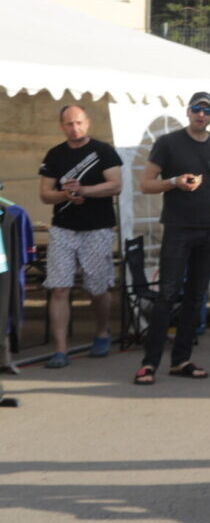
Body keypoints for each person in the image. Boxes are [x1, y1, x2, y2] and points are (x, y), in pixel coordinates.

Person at [134, 91, 210, 385]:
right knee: (167, 294)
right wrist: (174, 182)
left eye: (206, 110)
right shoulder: (168, 143)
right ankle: (149, 363)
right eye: (196, 109)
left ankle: (181, 359)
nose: (201, 115)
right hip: (178, 228)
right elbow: (145, 184)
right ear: (188, 111)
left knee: (196, 296)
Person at [38, 104, 123, 368]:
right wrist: (65, 195)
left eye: (78, 122)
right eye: (69, 124)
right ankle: (60, 350)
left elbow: (116, 185)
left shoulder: (104, 151)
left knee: (97, 288)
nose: (74, 128)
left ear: (87, 123)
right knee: (59, 287)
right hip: (63, 228)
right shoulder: (55, 154)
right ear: (61, 126)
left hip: (97, 228)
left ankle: (102, 331)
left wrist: (84, 190)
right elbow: (45, 194)